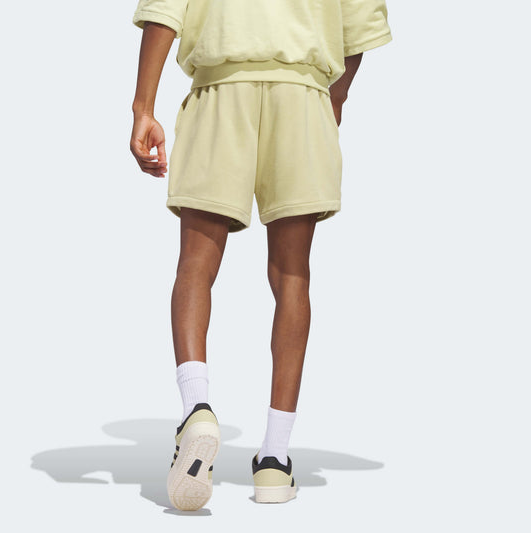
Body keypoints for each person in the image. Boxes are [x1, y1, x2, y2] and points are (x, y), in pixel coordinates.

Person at [130, 0, 392, 511]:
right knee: (292, 275)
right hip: (303, 96)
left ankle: (196, 407)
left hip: (220, 89)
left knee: (196, 264)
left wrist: (143, 107)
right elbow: (359, 28)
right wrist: (334, 98)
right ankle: (274, 459)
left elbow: (165, 12)